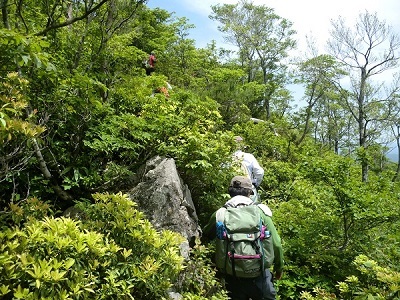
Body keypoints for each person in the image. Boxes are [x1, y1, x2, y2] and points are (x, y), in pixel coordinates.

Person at [202, 176, 284, 300]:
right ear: (250, 193)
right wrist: (279, 268)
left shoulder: (220, 214)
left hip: (232, 275)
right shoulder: (260, 213)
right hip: (260, 275)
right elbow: (276, 243)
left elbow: (206, 236)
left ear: (230, 192)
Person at [232, 136, 264, 201]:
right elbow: (260, 172)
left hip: (233, 190)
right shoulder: (249, 156)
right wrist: (255, 183)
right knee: (253, 209)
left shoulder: (226, 158)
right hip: (248, 189)